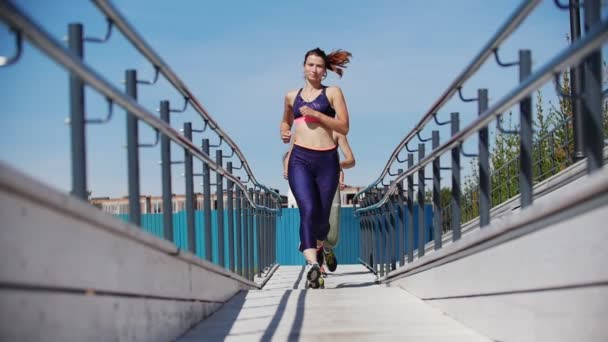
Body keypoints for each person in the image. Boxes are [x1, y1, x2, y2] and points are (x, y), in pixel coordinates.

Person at [280, 47, 352, 289]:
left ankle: (319, 246)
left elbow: (344, 127)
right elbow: (285, 120)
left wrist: (317, 115)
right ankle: (312, 265)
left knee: (322, 221)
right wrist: (283, 129)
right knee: (308, 210)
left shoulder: (332, 93)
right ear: (303, 67)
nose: (314, 69)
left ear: (325, 71)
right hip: (300, 159)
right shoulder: (291, 96)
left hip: (327, 162)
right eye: (310, 64)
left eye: (319, 66)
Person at [282, 132, 355, 277]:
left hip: (329, 182)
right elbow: (290, 155)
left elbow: (350, 160)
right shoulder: (302, 130)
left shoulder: (336, 133)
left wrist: (334, 167)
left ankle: (325, 249)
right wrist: (287, 169)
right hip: (308, 183)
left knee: (329, 227)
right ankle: (316, 265)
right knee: (309, 217)